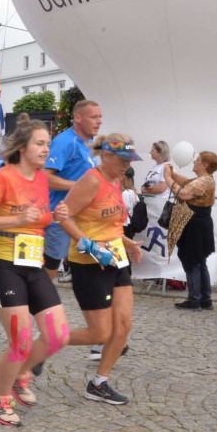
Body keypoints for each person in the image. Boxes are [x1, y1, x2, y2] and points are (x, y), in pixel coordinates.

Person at [0, 118, 71, 426]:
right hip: (1, 262)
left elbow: (36, 218)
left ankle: (20, 373)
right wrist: (16, 221)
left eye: (48, 145)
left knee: (58, 335)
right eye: (40, 144)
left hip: (32, 261)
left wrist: (54, 216)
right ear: (23, 147)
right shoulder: (4, 177)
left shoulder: (41, 179)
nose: (46, 150)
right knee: (22, 338)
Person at [59, 134, 144, 405]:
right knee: (99, 333)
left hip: (116, 259)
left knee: (123, 325)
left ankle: (99, 382)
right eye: (123, 160)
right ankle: (47, 340)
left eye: (130, 161)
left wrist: (128, 242)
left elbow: (111, 224)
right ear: (106, 155)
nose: (127, 166)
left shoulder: (115, 181)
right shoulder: (91, 179)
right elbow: (62, 215)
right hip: (89, 263)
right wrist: (89, 244)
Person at [43, 100, 103, 281]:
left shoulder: (90, 143)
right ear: (78, 117)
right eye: (94, 117)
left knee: (86, 271)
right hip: (59, 218)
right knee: (48, 270)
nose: (99, 121)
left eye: (100, 117)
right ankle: (30, 306)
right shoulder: (65, 141)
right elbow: (45, 177)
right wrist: (79, 187)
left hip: (81, 219)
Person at [164, 152, 217, 311]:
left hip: (195, 223)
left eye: (198, 160)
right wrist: (172, 173)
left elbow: (183, 193)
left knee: (192, 260)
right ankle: (205, 299)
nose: (194, 162)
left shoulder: (204, 181)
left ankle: (195, 299)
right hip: (199, 222)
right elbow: (187, 182)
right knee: (199, 260)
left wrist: (168, 178)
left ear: (205, 165)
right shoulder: (204, 180)